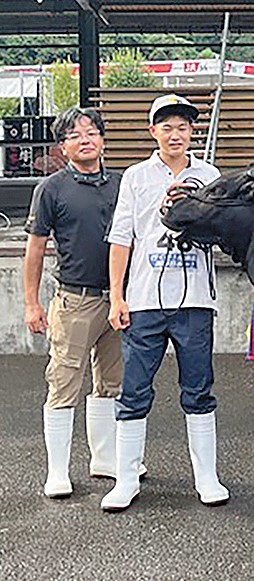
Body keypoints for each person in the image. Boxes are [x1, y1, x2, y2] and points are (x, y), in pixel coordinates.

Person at [101, 94, 228, 511]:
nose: (176, 134)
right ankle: (125, 478)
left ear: (193, 131)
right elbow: (122, 238)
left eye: (183, 127)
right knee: (134, 390)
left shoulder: (209, 174)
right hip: (143, 299)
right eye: (167, 126)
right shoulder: (136, 176)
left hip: (194, 300)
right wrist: (117, 296)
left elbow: (223, 231)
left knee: (198, 389)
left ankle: (206, 476)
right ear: (152, 130)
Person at [24, 107, 132, 498]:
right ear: (62, 146)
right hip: (74, 300)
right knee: (63, 383)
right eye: (74, 135)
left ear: (103, 139)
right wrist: (31, 304)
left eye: (91, 132)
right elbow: (35, 249)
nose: (85, 139)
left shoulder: (124, 183)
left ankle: (103, 459)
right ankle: (57, 471)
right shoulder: (51, 189)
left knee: (111, 383)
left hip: (119, 300)